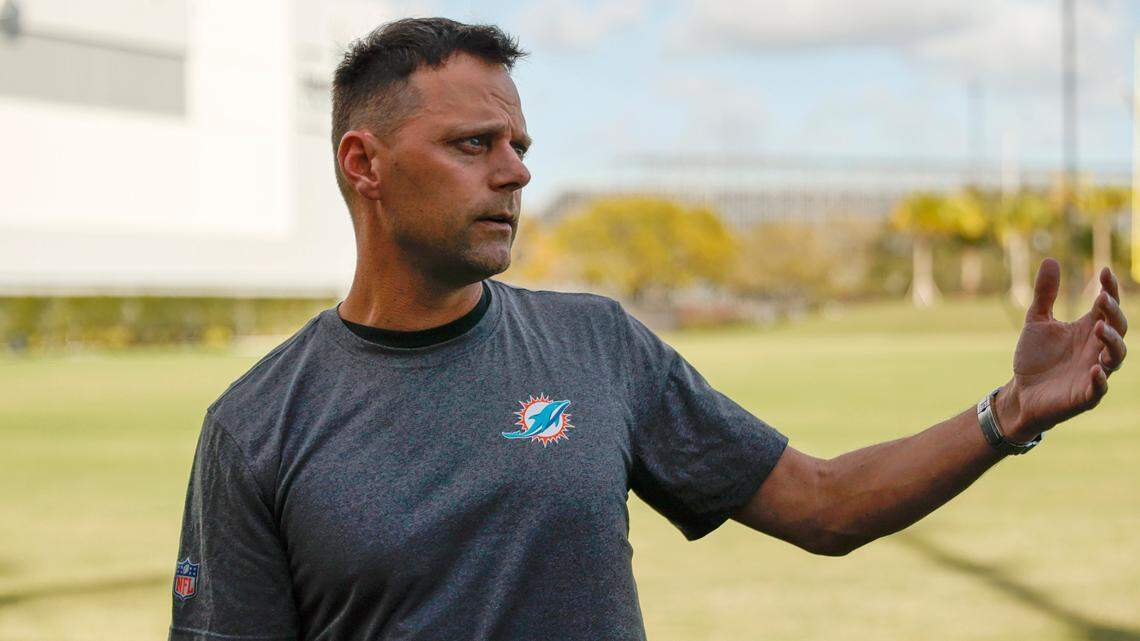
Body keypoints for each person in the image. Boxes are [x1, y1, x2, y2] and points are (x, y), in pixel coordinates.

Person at [168, 17, 1129, 641]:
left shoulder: (597, 345)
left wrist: (1008, 413)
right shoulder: (256, 427)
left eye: (519, 145)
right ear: (363, 163)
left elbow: (825, 503)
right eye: (473, 144)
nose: (516, 171)